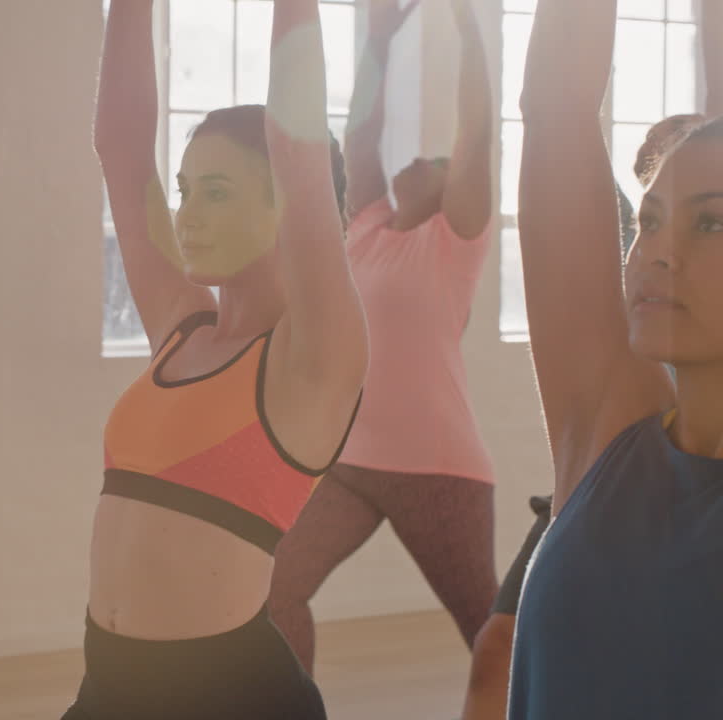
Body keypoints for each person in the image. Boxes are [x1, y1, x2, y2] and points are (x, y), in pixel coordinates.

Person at [63, 0, 368, 717]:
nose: (186, 216)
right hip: (108, 687)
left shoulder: (313, 361)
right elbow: (122, 147)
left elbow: (299, 154)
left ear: (283, 207)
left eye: (218, 192)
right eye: (185, 191)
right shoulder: (183, 326)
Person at [269, 0, 498, 672]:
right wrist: (374, 41)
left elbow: (477, 134)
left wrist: (467, 31)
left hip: (439, 471)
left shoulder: (455, 242)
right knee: (273, 590)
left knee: (489, 631)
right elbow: (359, 132)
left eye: (433, 160)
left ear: (449, 185)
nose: (415, 161)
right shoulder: (365, 227)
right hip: (347, 463)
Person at [509, 0, 723, 714]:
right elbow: (556, 106)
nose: (659, 248)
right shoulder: (610, 422)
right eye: (652, 218)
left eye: (710, 221)